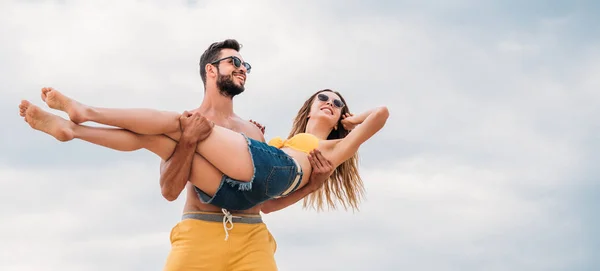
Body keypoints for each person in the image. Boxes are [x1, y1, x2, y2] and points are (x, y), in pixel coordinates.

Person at [19, 39, 388, 269]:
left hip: (250, 233)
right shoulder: (242, 133)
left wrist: (313, 183)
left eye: (245, 65)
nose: (242, 68)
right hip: (201, 228)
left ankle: (81, 120)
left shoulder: (258, 134)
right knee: (164, 133)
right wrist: (189, 142)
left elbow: (268, 197)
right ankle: (74, 126)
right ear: (211, 71)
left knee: (172, 128)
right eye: (234, 63)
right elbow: (169, 190)